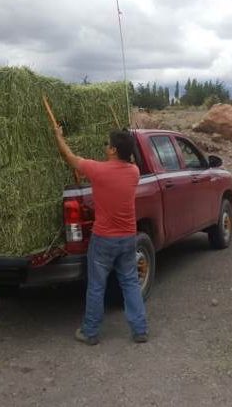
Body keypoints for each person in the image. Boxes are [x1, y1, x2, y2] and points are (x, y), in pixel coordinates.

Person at [50, 124, 148, 345]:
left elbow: (70, 158)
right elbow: (130, 160)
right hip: (128, 237)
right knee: (130, 282)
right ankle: (140, 330)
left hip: (104, 238)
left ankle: (90, 331)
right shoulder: (134, 172)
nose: (106, 147)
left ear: (113, 150)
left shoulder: (98, 170)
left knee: (96, 285)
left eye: (108, 144)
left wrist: (58, 137)